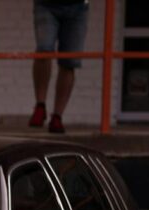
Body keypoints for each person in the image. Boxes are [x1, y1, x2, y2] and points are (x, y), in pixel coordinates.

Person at [29, 0, 90, 134]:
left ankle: (57, 116)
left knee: (70, 62)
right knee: (44, 50)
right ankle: (40, 106)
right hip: (46, 4)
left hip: (79, 7)